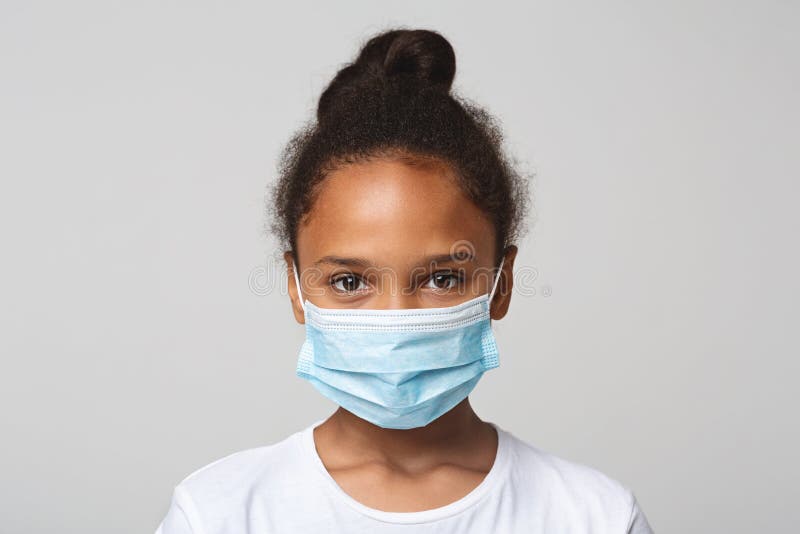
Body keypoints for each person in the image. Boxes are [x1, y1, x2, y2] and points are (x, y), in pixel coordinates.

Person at [155, 27, 654, 534]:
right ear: (296, 288)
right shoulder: (220, 514)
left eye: (441, 278)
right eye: (350, 282)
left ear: (501, 284)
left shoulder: (595, 517)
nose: (397, 321)